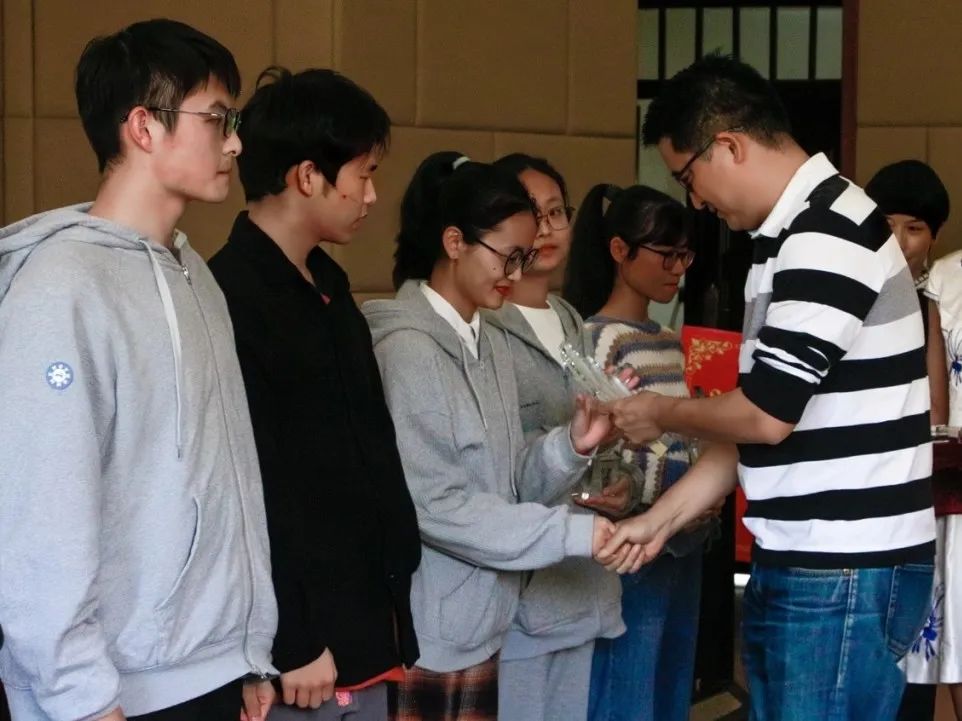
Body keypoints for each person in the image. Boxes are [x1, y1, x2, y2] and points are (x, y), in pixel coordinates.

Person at [598, 53, 935, 721]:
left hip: (841, 565)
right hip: (817, 560)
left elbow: (765, 415)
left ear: (728, 145)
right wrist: (657, 522)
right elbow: (756, 427)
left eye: (688, 177)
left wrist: (659, 411)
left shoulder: (826, 232)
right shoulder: (785, 236)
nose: (696, 201)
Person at [0, 19, 277, 721]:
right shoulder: (59, 287)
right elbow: (39, 514)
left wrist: (244, 648)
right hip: (113, 693)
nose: (236, 143)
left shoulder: (196, 276)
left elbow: (229, 473)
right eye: (218, 119)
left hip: (207, 667)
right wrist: (80, 697)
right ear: (143, 127)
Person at [362, 152, 624, 721]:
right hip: (424, 633)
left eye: (523, 258)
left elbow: (510, 482)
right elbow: (436, 505)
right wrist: (574, 533)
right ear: (454, 242)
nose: (516, 274)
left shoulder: (489, 338)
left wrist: (571, 444)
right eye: (507, 256)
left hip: (483, 622)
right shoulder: (407, 348)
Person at [207, 68, 422, 721]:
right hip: (301, 650)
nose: (372, 194)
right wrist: (292, 639)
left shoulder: (328, 284)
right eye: (363, 174)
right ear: (307, 176)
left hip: (365, 620)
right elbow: (250, 484)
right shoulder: (232, 294)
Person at [485, 154, 625, 721]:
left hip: (582, 581)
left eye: (556, 212)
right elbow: (495, 469)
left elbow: (595, 434)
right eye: (530, 213)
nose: (545, 228)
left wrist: (617, 483)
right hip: (523, 593)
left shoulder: (571, 319)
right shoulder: (486, 324)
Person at [564, 182, 709, 721]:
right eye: (666, 254)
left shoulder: (668, 340)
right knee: (629, 695)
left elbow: (679, 439)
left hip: (686, 539)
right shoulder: (598, 338)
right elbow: (608, 460)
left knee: (672, 691)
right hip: (636, 548)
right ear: (620, 250)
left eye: (684, 255)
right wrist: (690, 481)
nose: (678, 269)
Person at [866, 160, 957, 721]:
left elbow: (936, 418)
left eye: (914, 228)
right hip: (855, 506)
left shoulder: (931, 307)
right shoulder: (842, 299)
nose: (897, 242)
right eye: (886, 225)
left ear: (933, 237)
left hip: (915, 503)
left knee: (912, 657)